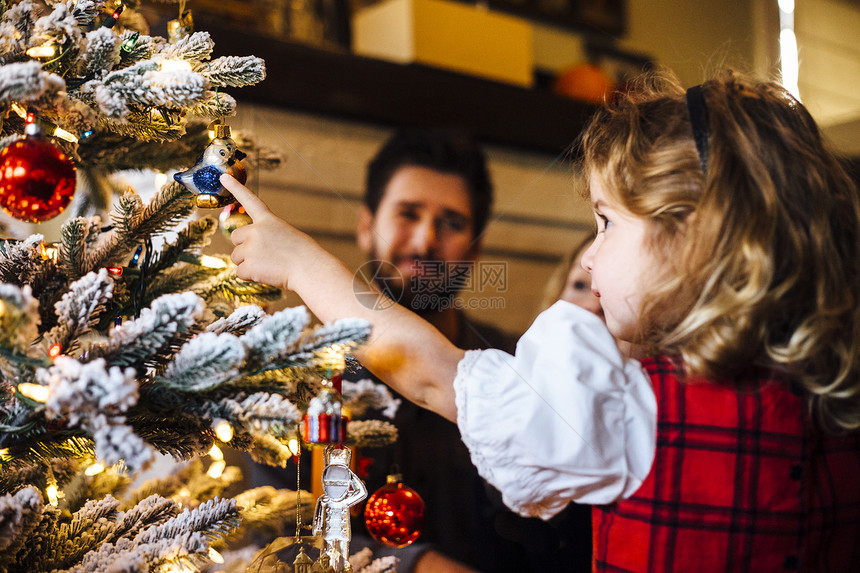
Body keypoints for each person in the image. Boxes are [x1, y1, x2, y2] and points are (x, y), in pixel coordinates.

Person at [225, 68, 860, 571]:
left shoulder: (621, 408)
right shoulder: (834, 391)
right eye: (407, 215)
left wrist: (305, 266)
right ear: (368, 222)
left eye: (607, 223)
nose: (589, 252)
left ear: (696, 238)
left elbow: (429, 374)